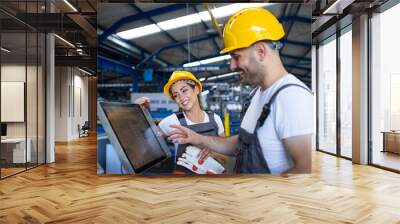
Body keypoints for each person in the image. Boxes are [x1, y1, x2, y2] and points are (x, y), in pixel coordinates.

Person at [167, 7, 314, 174]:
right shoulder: (257, 94)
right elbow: (241, 144)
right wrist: (198, 139)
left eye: (236, 57)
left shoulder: (291, 97)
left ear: (260, 51)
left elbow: (304, 171)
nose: (232, 65)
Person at [135, 70, 227, 174]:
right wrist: (140, 113)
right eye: (176, 95)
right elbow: (146, 139)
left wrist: (214, 154)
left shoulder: (215, 119)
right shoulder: (171, 122)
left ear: (196, 89)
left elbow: (225, 158)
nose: (181, 97)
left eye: (184, 90)